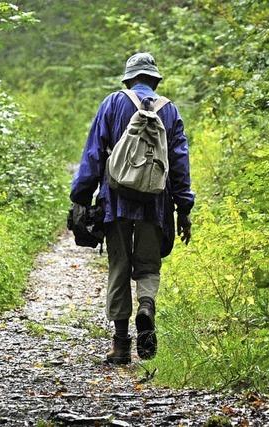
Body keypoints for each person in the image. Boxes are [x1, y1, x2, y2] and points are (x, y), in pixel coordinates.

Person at [70, 52, 195, 364]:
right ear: (154, 80)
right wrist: (184, 209)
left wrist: (81, 196)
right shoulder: (170, 110)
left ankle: (122, 344)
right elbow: (179, 162)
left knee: (119, 267)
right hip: (157, 202)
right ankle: (147, 306)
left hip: (116, 201)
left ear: (128, 79)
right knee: (149, 267)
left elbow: (94, 152)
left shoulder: (113, 103)